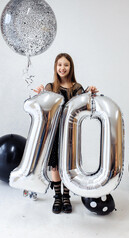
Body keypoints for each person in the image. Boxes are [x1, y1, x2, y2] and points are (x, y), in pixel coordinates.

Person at [34, 53, 98, 214]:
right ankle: (57, 196)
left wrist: (90, 93)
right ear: (56, 67)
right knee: (55, 165)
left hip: (70, 133)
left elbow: (83, 106)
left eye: (66, 65)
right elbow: (44, 110)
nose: (62, 68)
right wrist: (39, 96)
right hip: (55, 133)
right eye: (59, 65)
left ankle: (66, 196)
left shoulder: (77, 88)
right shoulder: (51, 87)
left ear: (71, 67)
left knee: (67, 165)